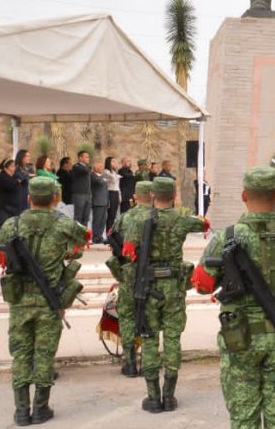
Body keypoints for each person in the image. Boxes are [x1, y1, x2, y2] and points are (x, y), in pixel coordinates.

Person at [194, 166, 275, 429]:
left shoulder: (226, 238)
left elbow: (202, 285)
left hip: (239, 339)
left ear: (244, 195)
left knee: (244, 419)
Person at [0, 176, 88, 426]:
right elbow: (81, 241)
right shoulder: (63, 223)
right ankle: (41, 407)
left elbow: (1, 256)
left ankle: (21, 411)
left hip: (20, 301)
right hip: (50, 300)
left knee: (22, 354)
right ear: (55, 199)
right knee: (45, 354)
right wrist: (64, 252)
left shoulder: (11, 225)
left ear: (29, 198)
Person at [123, 177, 206, 413]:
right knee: (172, 338)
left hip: (148, 288)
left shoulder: (139, 220)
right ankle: (169, 396)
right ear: (174, 196)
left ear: (152, 196)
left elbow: (128, 252)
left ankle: (153, 397)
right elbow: (204, 224)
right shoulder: (181, 220)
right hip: (173, 287)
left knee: (149, 339)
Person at [110, 179, 154, 378]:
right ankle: (148, 361)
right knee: (150, 317)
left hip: (128, 274)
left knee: (127, 317)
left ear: (135, 197)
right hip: (152, 276)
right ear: (152, 195)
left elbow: (114, 243)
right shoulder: (157, 216)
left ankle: (129, 363)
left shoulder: (124, 218)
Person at [0, 160, 22, 240]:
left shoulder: (12, 177)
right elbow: (10, 184)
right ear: (5, 168)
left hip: (7, 207)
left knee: (7, 228)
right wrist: (17, 181)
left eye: (14, 166)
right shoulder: (2, 177)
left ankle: (4, 249)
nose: (14, 168)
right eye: (12, 166)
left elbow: (21, 178)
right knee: (0, 227)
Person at [71, 151, 93, 228]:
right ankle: (76, 236)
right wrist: (89, 168)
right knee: (78, 217)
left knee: (86, 217)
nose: (88, 159)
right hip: (79, 194)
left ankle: (84, 237)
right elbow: (85, 170)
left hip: (87, 194)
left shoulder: (86, 167)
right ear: (80, 158)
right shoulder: (76, 166)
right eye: (86, 157)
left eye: (88, 157)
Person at [90, 162, 108, 243]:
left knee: (103, 220)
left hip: (104, 201)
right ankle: (95, 237)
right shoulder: (93, 176)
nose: (102, 168)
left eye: (102, 167)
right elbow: (100, 182)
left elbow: (106, 190)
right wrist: (104, 180)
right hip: (97, 202)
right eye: (100, 166)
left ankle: (99, 236)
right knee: (97, 221)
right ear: (95, 168)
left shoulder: (102, 177)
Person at [102, 157, 121, 237]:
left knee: (114, 215)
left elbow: (118, 185)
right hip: (110, 193)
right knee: (110, 215)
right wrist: (117, 174)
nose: (115, 163)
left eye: (115, 161)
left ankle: (112, 233)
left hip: (116, 192)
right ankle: (108, 234)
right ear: (108, 162)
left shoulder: (114, 172)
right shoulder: (106, 171)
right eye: (113, 161)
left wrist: (120, 195)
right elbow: (113, 179)